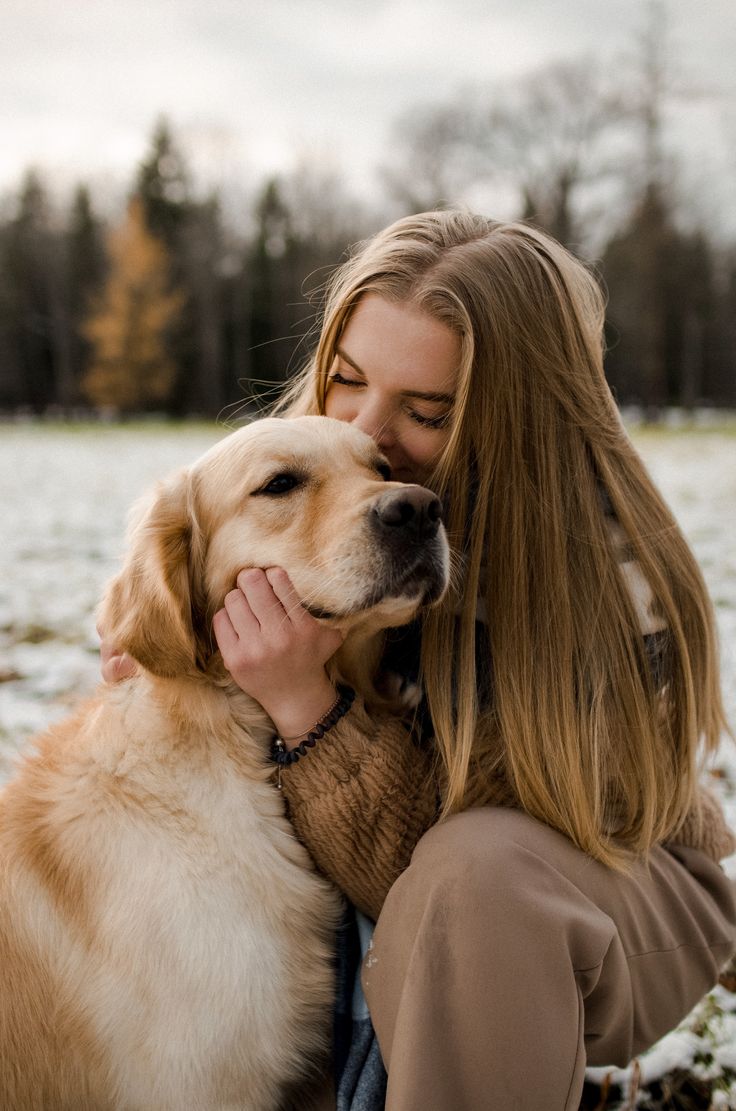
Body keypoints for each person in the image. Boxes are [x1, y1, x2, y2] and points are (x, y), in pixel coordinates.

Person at [103, 210, 736, 1110]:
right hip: (440, 888)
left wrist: (305, 709)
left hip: (608, 888)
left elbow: (420, 879)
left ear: (517, 417)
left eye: (427, 412)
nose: (367, 432)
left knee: (476, 881)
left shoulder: (606, 578)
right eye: (346, 381)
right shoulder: (344, 486)